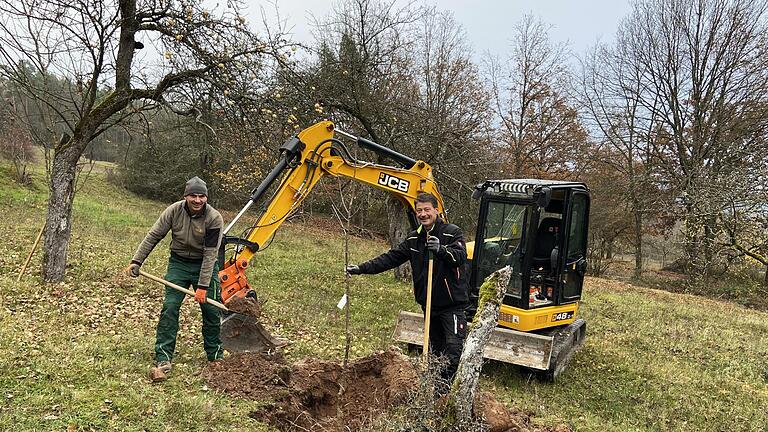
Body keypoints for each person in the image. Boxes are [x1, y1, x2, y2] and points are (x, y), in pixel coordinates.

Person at [346, 193, 469, 388]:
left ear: (436, 210)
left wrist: (440, 250)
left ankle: (448, 395)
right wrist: (362, 268)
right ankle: (434, 395)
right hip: (429, 306)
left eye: (427, 209)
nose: (423, 214)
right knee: (434, 354)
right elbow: (390, 258)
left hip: (452, 306)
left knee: (453, 352)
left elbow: (460, 257)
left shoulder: (451, 233)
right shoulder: (414, 238)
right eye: (419, 210)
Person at [126, 176, 224, 378]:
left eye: (202, 196)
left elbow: (210, 254)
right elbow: (154, 235)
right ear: (185, 196)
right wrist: (137, 261)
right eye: (193, 196)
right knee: (170, 307)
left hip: (204, 265)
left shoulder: (214, 218)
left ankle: (215, 357)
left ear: (206, 197)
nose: (197, 200)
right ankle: (163, 357)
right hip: (178, 264)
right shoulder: (173, 211)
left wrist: (203, 286)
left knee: (212, 311)